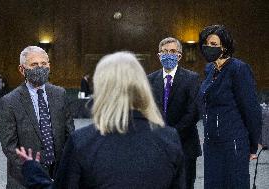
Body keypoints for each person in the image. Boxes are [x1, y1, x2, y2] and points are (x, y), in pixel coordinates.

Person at [16, 51, 186, 189]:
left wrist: (33, 171)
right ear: (142, 86)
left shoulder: (82, 142)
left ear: (102, 88)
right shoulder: (169, 138)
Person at [0, 46, 75, 189]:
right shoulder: (9, 102)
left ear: (49, 66)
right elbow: (9, 147)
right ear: (22, 69)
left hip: (60, 178)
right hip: (25, 181)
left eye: (44, 64)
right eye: (34, 64)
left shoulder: (60, 94)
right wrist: (34, 172)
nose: (40, 67)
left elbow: (70, 136)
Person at [198, 24, 262, 189]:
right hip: (212, 143)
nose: (208, 47)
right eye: (206, 44)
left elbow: (251, 109)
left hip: (233, 143)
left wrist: (253, 144)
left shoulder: (238, 69)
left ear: (224, 46)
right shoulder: (210, 69)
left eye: (214, 44)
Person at [148, 37, 201, 189]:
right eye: (164, 52)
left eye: (172, 51)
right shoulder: (149, 80)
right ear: (159, 55)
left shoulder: (192, 79)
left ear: (179, 55)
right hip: (157, 145)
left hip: (185, 145)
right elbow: (147, 110)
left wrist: (171, 134)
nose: (168, 55)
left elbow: (193, 112)